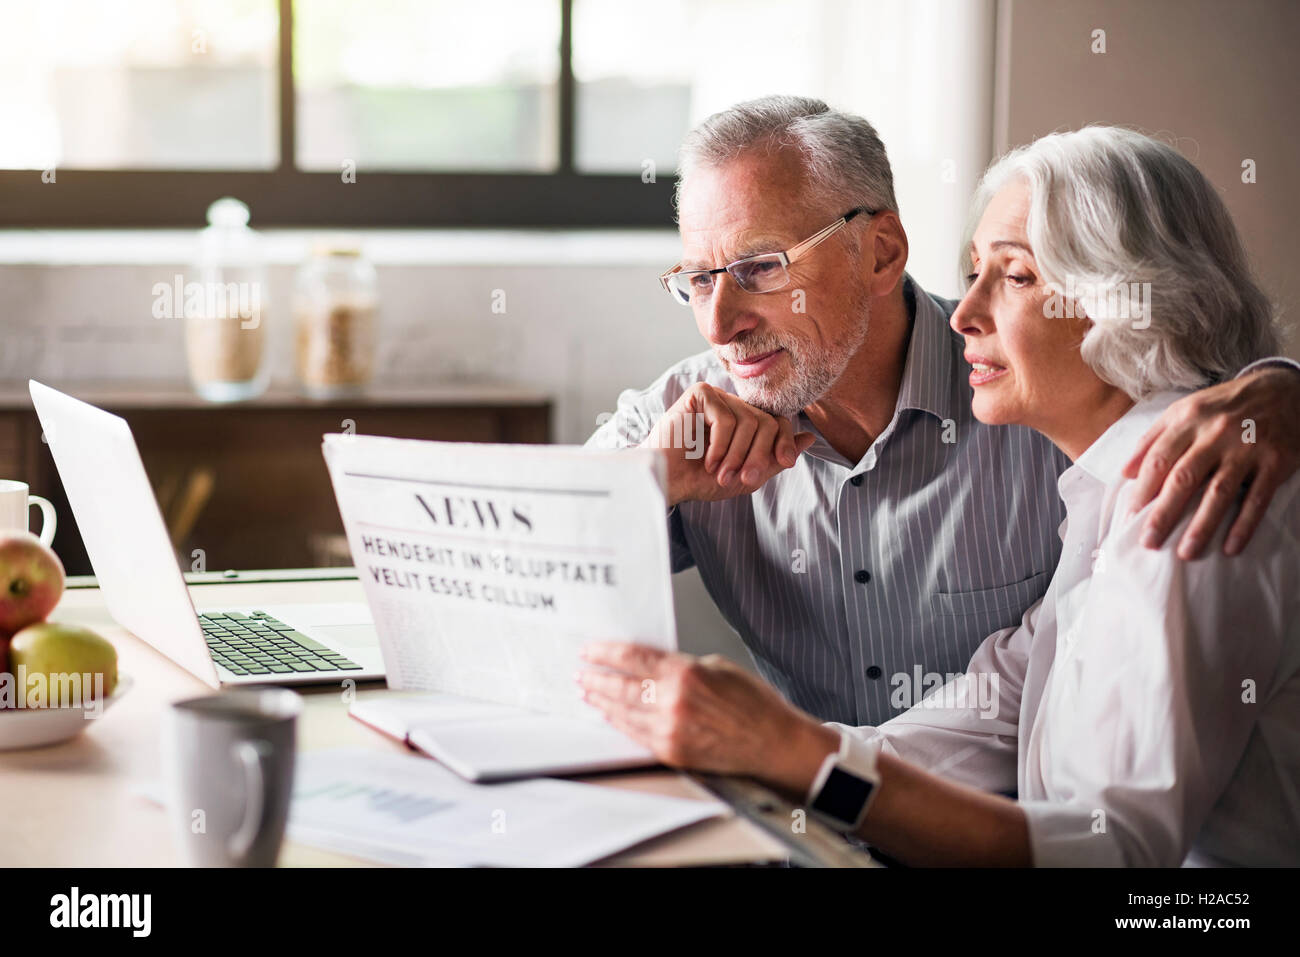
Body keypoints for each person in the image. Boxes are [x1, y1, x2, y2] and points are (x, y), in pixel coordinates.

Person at [578, 126, 1299, 866]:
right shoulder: (1096, 491)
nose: (965, 315)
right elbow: (993, 711)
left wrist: (793, 752)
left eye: (1014, 276)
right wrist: (766, 754)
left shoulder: (1194, 490)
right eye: (698, 280)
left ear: (1132, 300)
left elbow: (1110, 851)